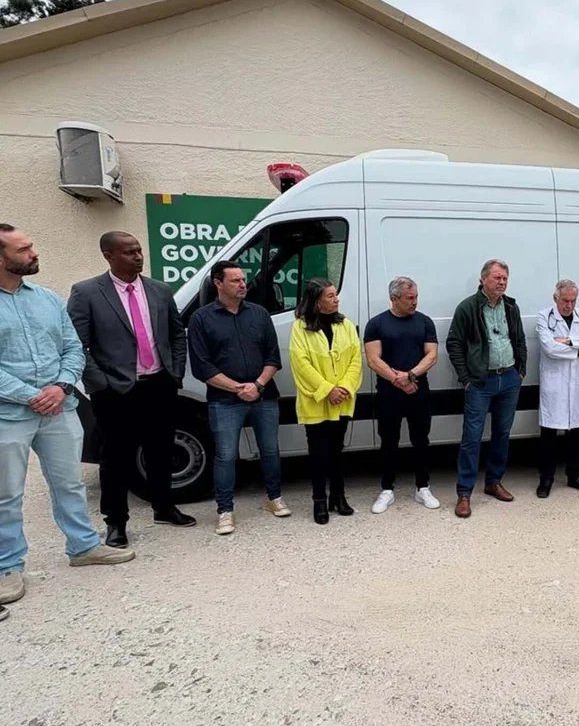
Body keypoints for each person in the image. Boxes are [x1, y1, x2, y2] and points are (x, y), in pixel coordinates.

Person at [0, 224, 135, 617]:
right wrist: (30, 395)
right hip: (10, 414)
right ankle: (8, 566)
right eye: (24, 249)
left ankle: (83, 546)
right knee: (7, 495)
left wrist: (60, 386)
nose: (33, 252)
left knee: (69, 483)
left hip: (59, 408)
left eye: (32, 245)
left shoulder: (47, 299)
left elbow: (73, 348)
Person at [67, 231, 195, 548]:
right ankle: (116, 522)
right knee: (117, 458)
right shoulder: (87, 293)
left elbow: (177, 336)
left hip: (159, 385)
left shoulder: (159, 291)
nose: (137, 256)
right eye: (128, 252)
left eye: (138, 250)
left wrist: (175, 371)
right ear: (109, 255)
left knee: (161, 452)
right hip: (116, 392)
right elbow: (76, 345)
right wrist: (101, 384)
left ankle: (163, 508)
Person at [187, 261, 289, 535]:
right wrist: (237, 388)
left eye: (243, 280)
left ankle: (274, 498)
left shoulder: (259, 314)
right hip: (224, 400)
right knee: (225, 455)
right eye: (235, 281)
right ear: (218, 284)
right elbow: (203, 367)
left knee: (270, 450)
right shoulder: (201, 319)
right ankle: (225, 510)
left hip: (264, 395)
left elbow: (273, 357)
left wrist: (257, 385)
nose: (243, 284)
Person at [446, 260, 528, 519]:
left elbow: (520, 339)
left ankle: (493, 482)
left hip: (509, 378)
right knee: (472, 437)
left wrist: (520, 370)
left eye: (505, 278)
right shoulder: (468, 307)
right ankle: (464, 493)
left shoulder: (511, 306)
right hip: (481, 382)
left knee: (502, 433)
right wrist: (466, 378)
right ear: (483, 280)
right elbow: (454, 344)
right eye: (497, 278)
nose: (502, 282)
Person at [289, 278, 362, 525]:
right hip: (316, 402)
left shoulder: (346, 325)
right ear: (316, 301)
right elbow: (301, 364)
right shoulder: (300, 328)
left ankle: (338, 497)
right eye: (330, 296)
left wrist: (344, 388)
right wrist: (327, 389)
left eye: (335, 295)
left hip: (341, 401)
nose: (336, 299)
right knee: (318, 454)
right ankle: (319, 500)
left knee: (337, 452)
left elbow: (355, 359)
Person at [364, 277, 439, 514]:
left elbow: (432, 355)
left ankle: (422, 487)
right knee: (388, 440)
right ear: (394, 298)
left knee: (421, 440)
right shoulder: (376, 324)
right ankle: (387, 489)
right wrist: (397, 379)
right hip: (388, 392)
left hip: (418, 389)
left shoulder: (425, 322)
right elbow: (373, 359)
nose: (414, 302)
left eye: (416, 297)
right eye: (409, 298)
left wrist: (410, 376)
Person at [536, 280, 579, 498]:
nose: (569, 305)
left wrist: (568, 341)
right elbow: (549, 347)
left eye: (573, 300)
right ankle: (546, 479)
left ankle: (574, 476)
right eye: (565, 301)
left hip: (576, 382)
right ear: (555, 298)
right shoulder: (544, 317)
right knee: (549, 433)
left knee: (576, 432)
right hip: (555, 384)